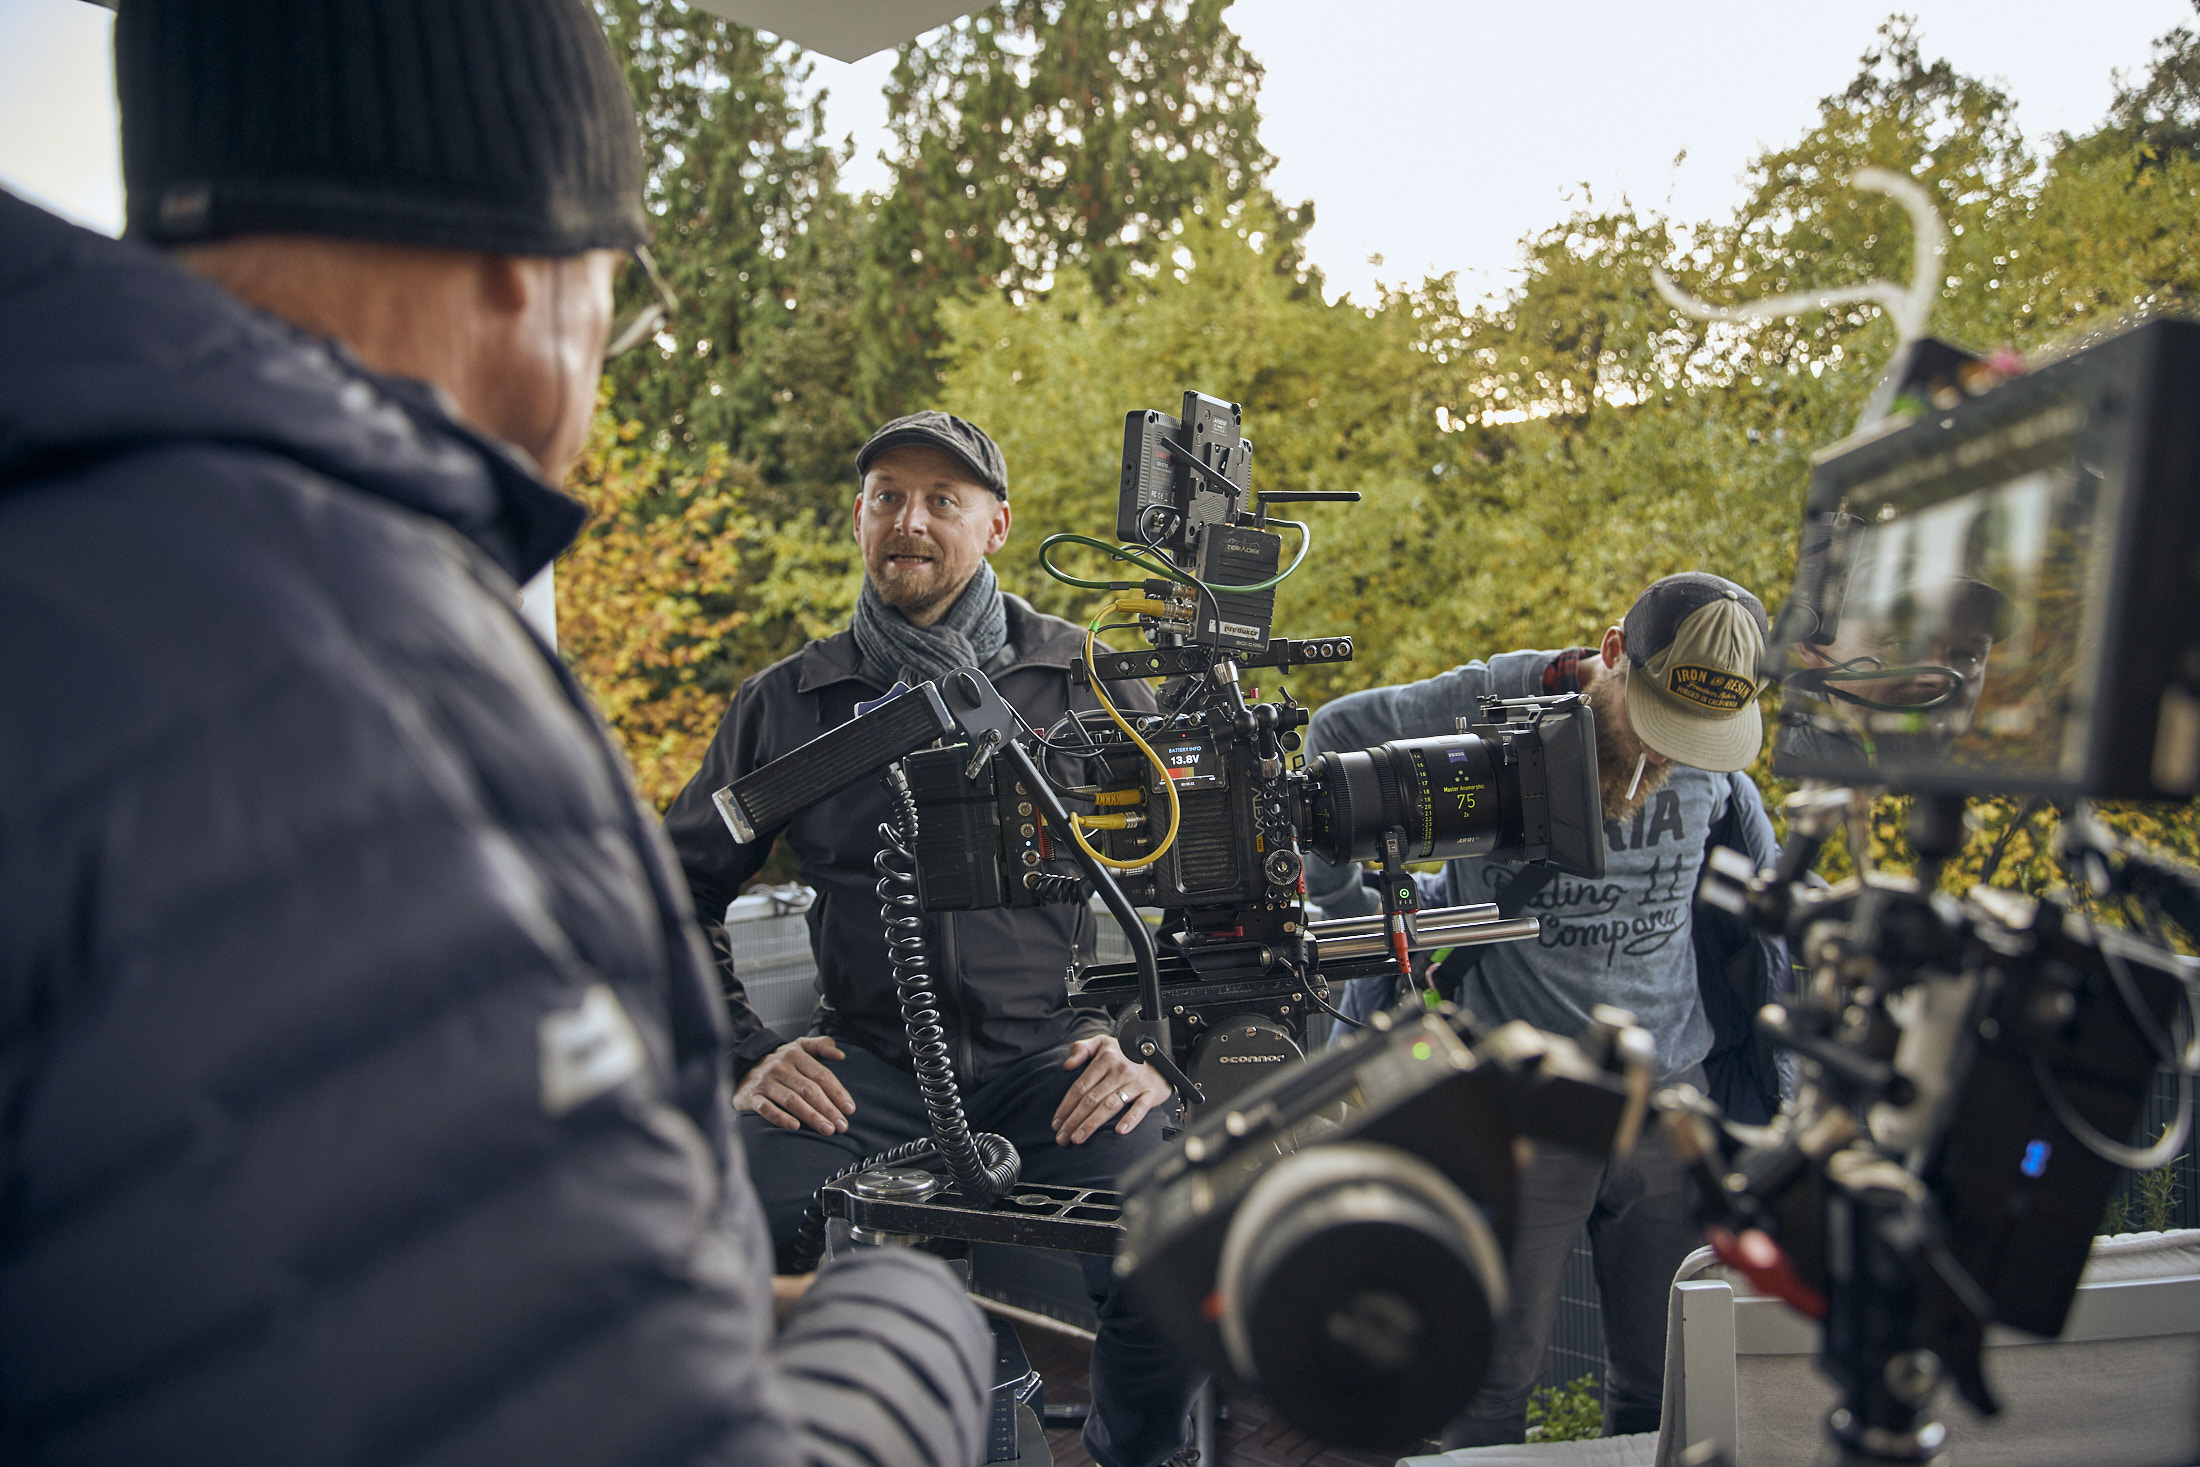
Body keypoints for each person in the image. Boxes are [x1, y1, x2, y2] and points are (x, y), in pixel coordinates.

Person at [0, 3, 989, 1464]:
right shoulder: (364, 681)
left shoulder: (82, 561)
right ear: (528, 269)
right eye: (617, 295)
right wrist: (912, 1317)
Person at [664, 412, 1203, 1467]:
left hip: (1051, 1066)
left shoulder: (1086, 678)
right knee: (721, 1234)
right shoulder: (788, 704)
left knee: (1172, 1249)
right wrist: (743, 1053)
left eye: (941, 501)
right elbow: (667, 889)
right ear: (858, 519)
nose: (909, 521)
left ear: (995, 526)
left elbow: (1211, 877)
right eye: (888, 498)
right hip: (862, 1072)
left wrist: (1148, 1047)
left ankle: (1136, 1456)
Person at [1304, 572, 1781, 1446]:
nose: (1667, 754)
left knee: (1669, 1379)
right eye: (1657, 721)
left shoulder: (1712, 748)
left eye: (1698, 737)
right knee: (1488, 1383)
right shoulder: (1492, 696)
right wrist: (1343, 911)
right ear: (1613, 653)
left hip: (1669, 1107)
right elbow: (1336, 733)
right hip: (1519, 1115)